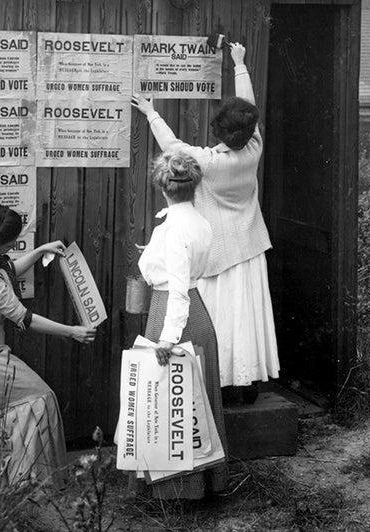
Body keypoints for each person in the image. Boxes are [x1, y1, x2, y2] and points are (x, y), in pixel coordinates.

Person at [131, 41, 279, 402]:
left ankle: (221, 386)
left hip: (217, 256)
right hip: (249, 247)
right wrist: (239, 63)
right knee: (248, 321)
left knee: (221, 321)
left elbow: (172, 146)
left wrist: (151, 112)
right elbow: (250, 108)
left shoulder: (210, 162)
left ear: (219, 133)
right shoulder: (254, 145)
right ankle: (249, 385)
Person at [0, 203, 97, 482]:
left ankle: (16, 478)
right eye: (12, 240)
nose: (15, 242)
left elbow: (9, 270)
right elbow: (24, 318)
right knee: (40, 398)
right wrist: (72, 331)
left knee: (17, 405)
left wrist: (39, 251)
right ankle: (28, 478)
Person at [135, 150, 228, 499]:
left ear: (163, 188)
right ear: (194, 187)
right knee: (193, 400)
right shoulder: (200, 223)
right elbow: (190, 269)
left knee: (172, 401)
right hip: (198, 313)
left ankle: (178, 493)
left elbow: (176, 289)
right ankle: (204, 483)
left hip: (173, 314)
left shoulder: (172, 229)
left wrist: (167, 339)